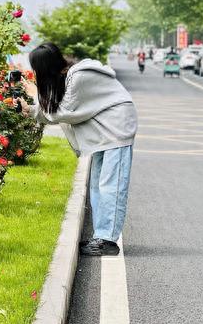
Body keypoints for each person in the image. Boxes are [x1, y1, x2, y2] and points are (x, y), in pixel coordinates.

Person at [20, 42, 138, 256]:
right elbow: (58, 108)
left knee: (111, 185)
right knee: (97, 185)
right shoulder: (68, 77)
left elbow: (63, 112)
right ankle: (101, 236)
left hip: (117, 127)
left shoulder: (79, 77)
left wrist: (35, 97)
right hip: (103, 131)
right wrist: (30, 110)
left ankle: (108, 240)